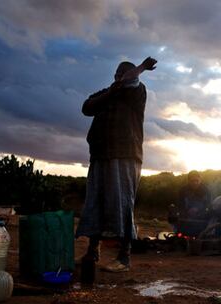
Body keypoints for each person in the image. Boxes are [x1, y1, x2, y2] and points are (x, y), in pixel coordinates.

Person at [76, 57, 157, 273]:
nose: (121, 76)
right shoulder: (105, 94)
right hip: (100, 155)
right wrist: (112, 91)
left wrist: (140, 68)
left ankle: (124, 257)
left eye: (125, 73)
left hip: (125, 155)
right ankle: (93, 251)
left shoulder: (136, 93)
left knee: (122, 203)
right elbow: (86, 107)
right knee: (96, 203)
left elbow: (131, 80)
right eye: (118, 74)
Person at [169, 170, 211, 237]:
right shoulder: (183, 190)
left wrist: (198, 210)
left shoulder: (206, 190)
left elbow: (208, 206)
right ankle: (178, 232)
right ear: (188, 181)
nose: (195, 183)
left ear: (200, 180)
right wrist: (186, 211)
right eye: (192, 181)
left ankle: (204, 234)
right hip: (185, 216)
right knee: (172, 210)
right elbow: (180, 205)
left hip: (201, 217)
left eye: (197, 180)